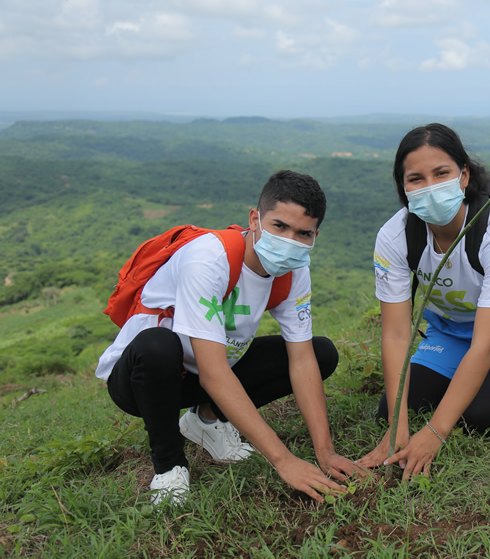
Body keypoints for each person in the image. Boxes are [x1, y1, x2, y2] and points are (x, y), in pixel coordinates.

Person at [96, 170, 367, 504]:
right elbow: (214, 371)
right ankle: (169, 466)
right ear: (255, 219)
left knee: (320, 351)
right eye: (279, 226)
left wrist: (325, 452)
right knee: (157, 346)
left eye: (303, 233)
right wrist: (283, 461)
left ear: (315, 236)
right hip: (144, 381)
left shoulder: (295, 271)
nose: (289, 241)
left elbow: (301, 360)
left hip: (204, 375)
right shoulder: (209, 259)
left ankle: (206, 421)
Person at [358, 123, 490, 479]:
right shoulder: (395, 236)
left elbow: (486, 343)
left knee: (479, 417)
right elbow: (394, 334)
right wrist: (396, 427)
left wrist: (435, 433)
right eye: (416, 179)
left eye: (442, 173)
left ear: (464, 175)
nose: (431, 187)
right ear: (403, 188)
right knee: (392, 409)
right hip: (450, 330)